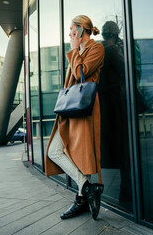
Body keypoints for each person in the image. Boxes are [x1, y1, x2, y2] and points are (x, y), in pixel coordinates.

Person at [45, 15, 105, 220]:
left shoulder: (96, 49)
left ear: (80, 30)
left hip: (84, 107)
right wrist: (76, 49)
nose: (69, 33)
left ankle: (81, 199)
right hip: (71, 108)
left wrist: (75, 47)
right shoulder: (78, 51)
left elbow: (82, 73)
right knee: (54, 150)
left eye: (71, 29)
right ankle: (88, 188)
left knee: (82, 155)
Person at [98, 21, 132, 210]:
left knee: (114, 145)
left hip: (105, 106)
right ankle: (125, 187)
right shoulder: (111, 51)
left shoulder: (99, 50)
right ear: (115, 34)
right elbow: (128, 70)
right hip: (117, 105)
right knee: (125, 147)